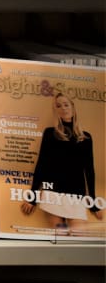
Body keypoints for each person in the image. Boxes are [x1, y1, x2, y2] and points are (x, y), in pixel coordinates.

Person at [21, 91, 101, 233]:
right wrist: (32, 197)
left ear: (73, 107)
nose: (63, 108)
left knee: (79, 238)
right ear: (56, 110)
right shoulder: (50, 134)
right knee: (61, 238)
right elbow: (41, 165)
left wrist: (93, 203)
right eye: (59, 106)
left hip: (76, 195)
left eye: (66, 104)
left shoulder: (86, 137)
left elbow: (89, 170)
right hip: (53, 194)